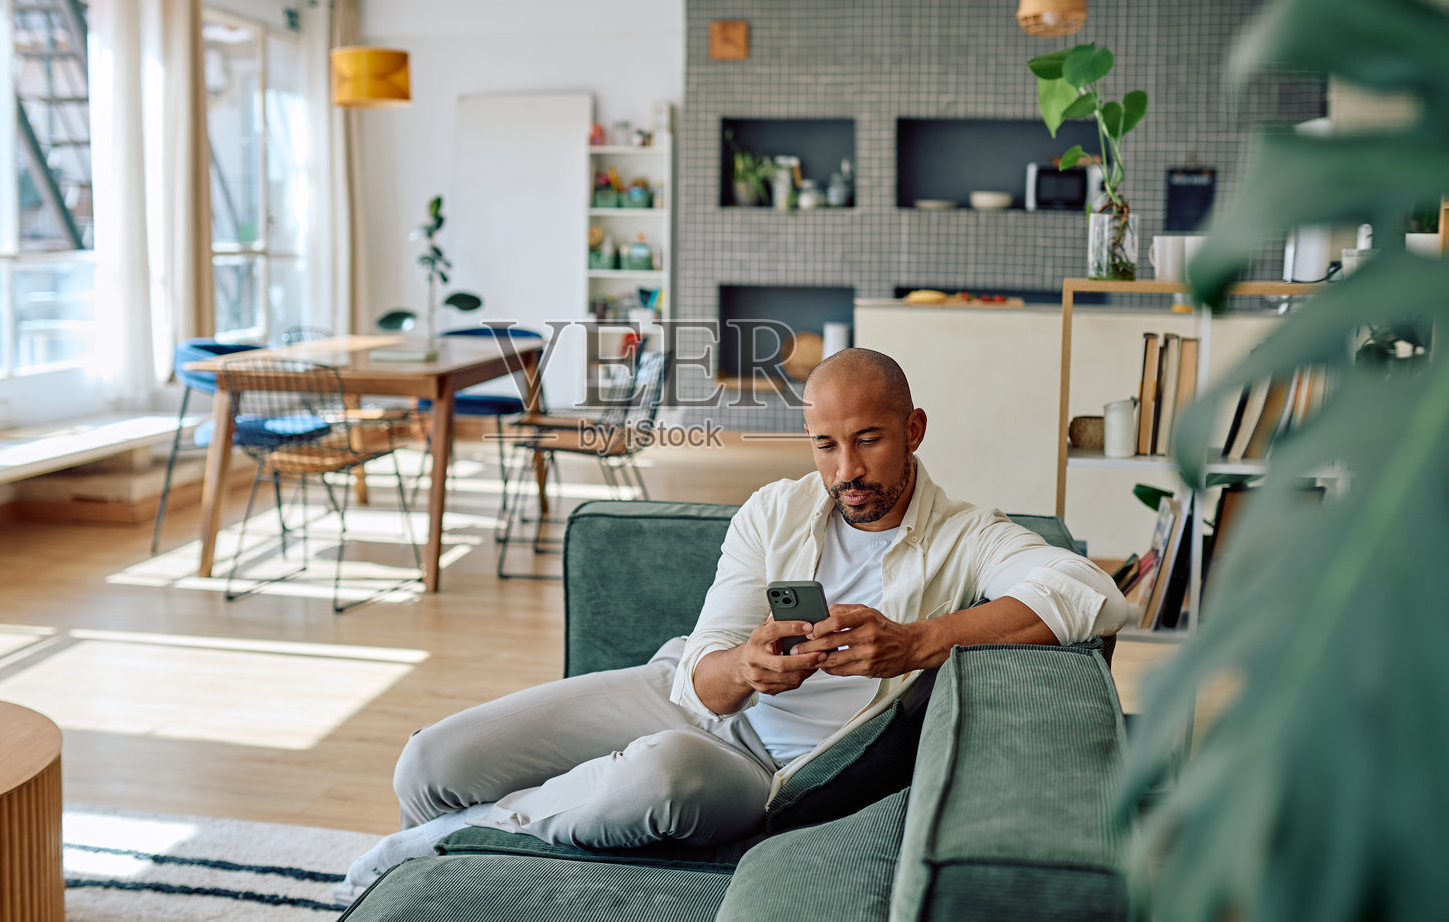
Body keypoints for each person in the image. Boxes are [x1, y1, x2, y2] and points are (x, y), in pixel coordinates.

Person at [334, 347, 1125, 903]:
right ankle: (430, 876)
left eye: (869, 439)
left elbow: (1088, 592)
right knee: (429, 763)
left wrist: (916, 641)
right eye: (826, 444)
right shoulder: (775, 509)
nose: (847, 469)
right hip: (685, 698)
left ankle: (448, 843)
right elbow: (703, 673)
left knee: (662, 776)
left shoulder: (967, 534)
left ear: (913, 430)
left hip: (765, 775)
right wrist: (749, 666)